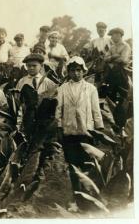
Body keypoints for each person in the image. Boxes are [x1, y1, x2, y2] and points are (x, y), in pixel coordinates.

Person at [55, 56, 104, 190]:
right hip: (69, 132)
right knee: (72, 163)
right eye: (72, 70)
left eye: (78, 70)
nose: (75, 73)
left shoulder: (90, 89)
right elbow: (58, 110)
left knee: (87, 162)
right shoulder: (63, 88)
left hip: (86, 131)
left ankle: (88, 192)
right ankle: (76, 192)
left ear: (84, 71)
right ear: (68, 72)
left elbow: (96, 110)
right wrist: (59, 128)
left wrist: (98, 129)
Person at [16, 53, 58, 139]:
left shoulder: (48, 82)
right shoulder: (22, 81)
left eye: (34, 66)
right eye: (29, 66)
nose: (31, 68)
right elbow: (17, 100)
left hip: (43, 118)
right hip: (26, 117)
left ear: (41, 66)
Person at [104, 27, 131, 128]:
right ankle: (112, 123)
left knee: (122, 98)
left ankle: (121, 123)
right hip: (111, 73)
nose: (112, 37)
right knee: (110, 97)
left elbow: (124, 60)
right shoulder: (112, 47)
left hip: (122, 73)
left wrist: (112, 58)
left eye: (113, 35)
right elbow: (105, 58)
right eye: (111, 35)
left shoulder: (126, 46)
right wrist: (115, 56)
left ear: (119, 35)